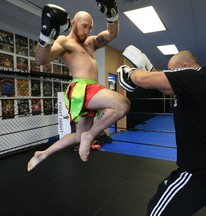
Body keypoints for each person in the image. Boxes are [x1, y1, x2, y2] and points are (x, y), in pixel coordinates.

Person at [118, 46, 206, 216]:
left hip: (201, 170)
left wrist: (129, 72)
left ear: (184, 66)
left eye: (172, 71)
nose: (170, 74)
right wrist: (149, 66)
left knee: (157, 213)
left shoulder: (194, 76)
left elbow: (144, 81)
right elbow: (166, 88)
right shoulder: (205, 80)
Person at [27, 0, 130, 171]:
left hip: (90, 90)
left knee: (78, 136)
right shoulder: (64, 41)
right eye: (84, 26)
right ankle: (90, 136)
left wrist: (112, 15)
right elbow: (41, 59)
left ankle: (42, 154)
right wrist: (46, 36)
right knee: (122, 104)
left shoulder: (90, 42)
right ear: (73, 23)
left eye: (90, 28)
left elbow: (112, 34)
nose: (87, 31)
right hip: (81, 89)